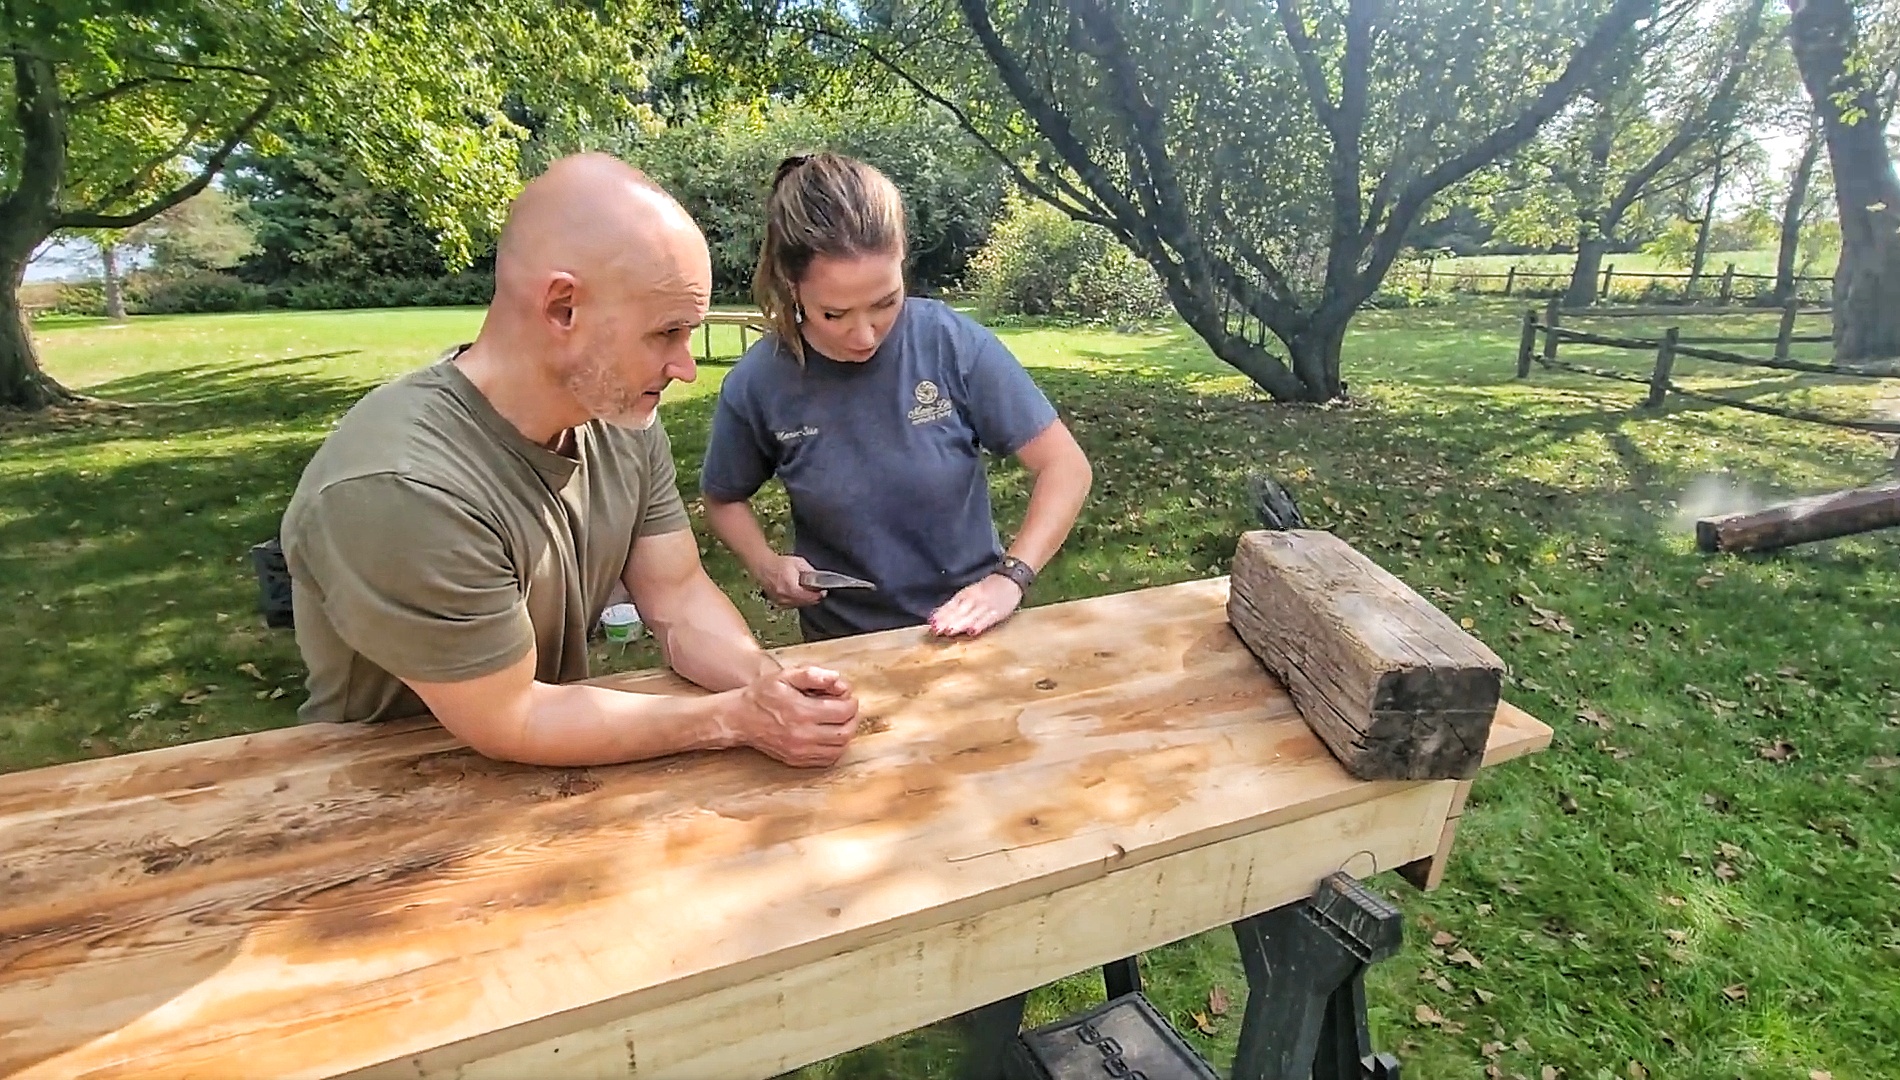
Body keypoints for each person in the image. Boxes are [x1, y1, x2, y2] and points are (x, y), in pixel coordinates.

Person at [278, 153, 860, 769]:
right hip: (377, 798)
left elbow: (678, 595)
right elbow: (511, 716)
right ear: (563, 308)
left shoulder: (618, 416)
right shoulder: (402, 487)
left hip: (541, 775)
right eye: (667, 333)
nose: (686, 368)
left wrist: (766, 684)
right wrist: (735, 718)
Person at [700, 153, 1092, 643]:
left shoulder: (951, 344)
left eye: (885, 302)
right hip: (847, 646)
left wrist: (1011, 577)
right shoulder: (760, 381)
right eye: (835, 313)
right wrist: (765, 565)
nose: (864, 335)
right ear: (791, 284)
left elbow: (1066, 467)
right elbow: (722, 498)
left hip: (972, 630)